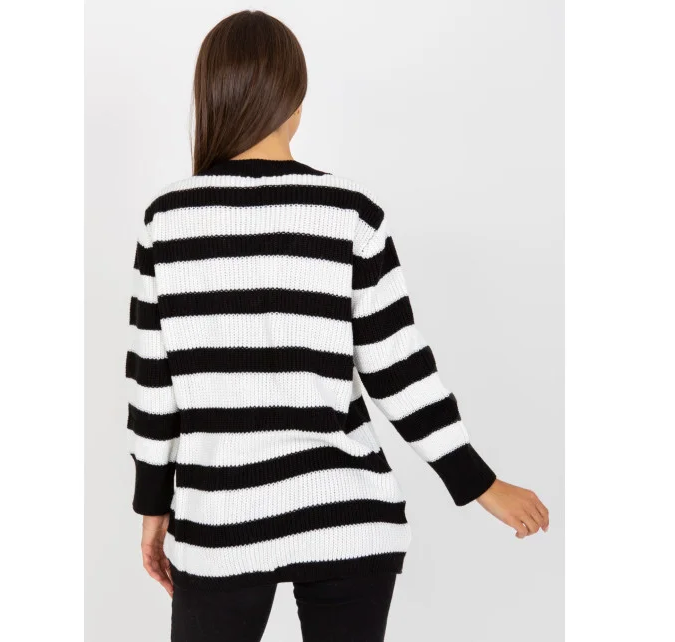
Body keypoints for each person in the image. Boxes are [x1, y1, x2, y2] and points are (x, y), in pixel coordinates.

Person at [126, 10, 549, 642]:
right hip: (348, 516)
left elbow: (152, 390)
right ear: (295, 101)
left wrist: (153, 505)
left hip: (220, 520)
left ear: (209, 97)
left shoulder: (167, 222)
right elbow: (400, 371)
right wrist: (480, 483)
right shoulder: (349, 214)